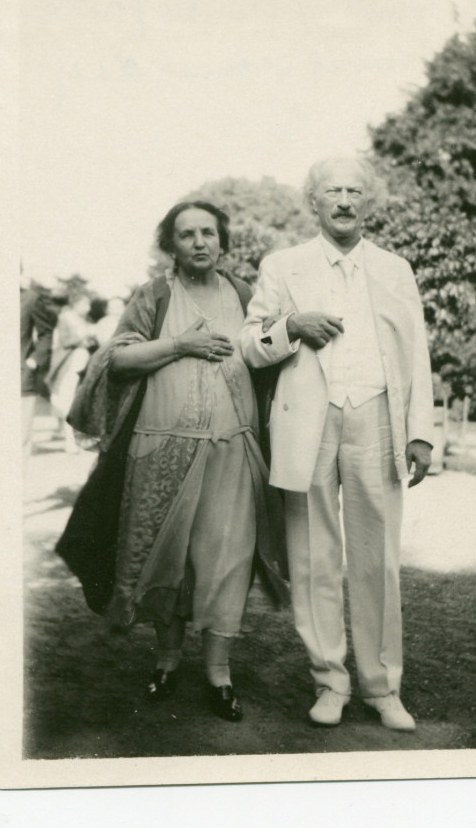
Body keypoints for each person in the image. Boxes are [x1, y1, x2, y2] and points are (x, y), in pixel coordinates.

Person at [57, 201, 287, 722]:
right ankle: (165, 660)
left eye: (209, 232)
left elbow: (267, 360)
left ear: (223, 242)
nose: (200, 242)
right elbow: (116, 359)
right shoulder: (154, 296)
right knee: (169, 560)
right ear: (171, 244)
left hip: (234, 452)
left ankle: (219, 674)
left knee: (228, 560)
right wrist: (182, 344)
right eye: (187, 234)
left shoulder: (246, 295)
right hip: (160, 450)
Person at [240, 158, 434, 731]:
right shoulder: (284, 265)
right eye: (333, 191)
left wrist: (421, 431)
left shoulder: (396, 268)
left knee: (379, 558)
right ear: (314, 202)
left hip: (376, 415)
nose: (344, 201)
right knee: (313, 557)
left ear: (366, 202)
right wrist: (291, 326)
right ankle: (329, 680)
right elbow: (249, 345)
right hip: (308, 422)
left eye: (354, 191)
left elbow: (416, 351)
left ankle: (382, 687)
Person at [47, 291, 95, 453]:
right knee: (67, 400)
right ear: (77, 304)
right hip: (70, 362)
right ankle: (69, 441)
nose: (88, 308)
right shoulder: (65, 318)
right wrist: (84, 338)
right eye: (85, 305)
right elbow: (65, 340)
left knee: (78, 401)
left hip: (82, 360)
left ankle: (75, 440)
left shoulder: (83, 320)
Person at [20, 268, 58, 471]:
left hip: (21, 378)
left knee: (19, 438)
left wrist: (33, 361)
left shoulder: (30, 299)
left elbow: (46, 334)